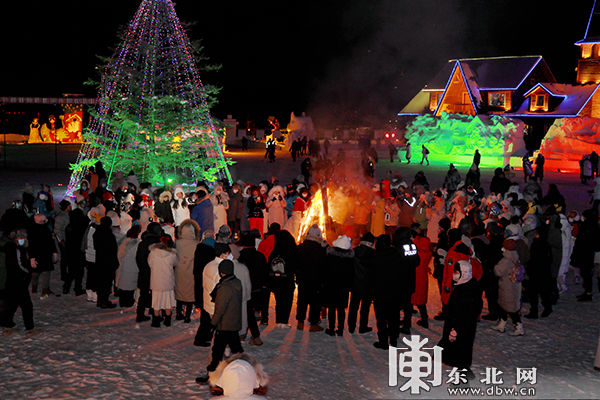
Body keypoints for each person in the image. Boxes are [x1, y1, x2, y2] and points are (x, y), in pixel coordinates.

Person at [196, 259, 244, 385]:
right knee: (236, 350)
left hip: (224, 325)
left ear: (221, 272)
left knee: (217, 352)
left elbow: (220, 309)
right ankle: (243, 372)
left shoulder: (224, 288)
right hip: (234, 323)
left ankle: (212, 374)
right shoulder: (236, 282)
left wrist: (212, 324)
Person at [437, 260, 480, 380]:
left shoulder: (464, 291)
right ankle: (466, 371)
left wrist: (454, 330)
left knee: (458, 352)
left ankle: (462, 383)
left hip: (460, 328)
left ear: (464, 273)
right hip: (465, 327)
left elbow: (463, 313)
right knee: (463, 350)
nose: (454, 275)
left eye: (457, 272)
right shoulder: (469, 286)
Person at [1, 229, 42, 337]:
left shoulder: (9, 248)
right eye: (20, 238)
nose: (22, 240)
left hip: (11, 281)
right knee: (26, 305)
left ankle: (8, 326)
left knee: (12, 304)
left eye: (23, 238)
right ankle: (30, 328)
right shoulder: (16, 249)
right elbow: (19, 265)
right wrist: (28, 271)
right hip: (18, 281)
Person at [295, 225, 326, 332]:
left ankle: (300, 321)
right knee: (315, 302)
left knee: (302, 300)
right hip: (316, 280)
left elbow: (296, 263)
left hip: (303, 278)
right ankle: (313, 323)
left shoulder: (300, 247)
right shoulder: (320, 249)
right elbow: (323, 266)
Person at [491, 238, 524, 336]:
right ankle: (502, 323)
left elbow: (498, 271)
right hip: (513, 286)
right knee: (503, 305)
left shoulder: (506, 260)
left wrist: (494, 266)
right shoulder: (515, 256)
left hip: (507, 286)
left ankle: (518, 326)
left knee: (510, 307)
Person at [323, 235, 355, 336]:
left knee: (332, 308)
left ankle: (331, 328)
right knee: (341, 309)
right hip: (343, 288)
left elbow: (325, 271)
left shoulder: (330, 257)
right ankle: (340, 329)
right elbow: (351, 274)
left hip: (331, 286)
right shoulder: (350, 259)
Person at [267, 230, 297, 329]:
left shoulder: (274, 252)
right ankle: (283, 321)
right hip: (287, 281)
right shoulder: (290, 252)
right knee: (287, 301)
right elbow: (294, 266)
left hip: (275, 281)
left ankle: (279, 320)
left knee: (278, 301)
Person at [148, 236, 179, 327]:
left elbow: (149, 263)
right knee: (168, 302)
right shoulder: (172, 254)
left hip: (156, 281)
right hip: (167, 281)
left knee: (156, 302)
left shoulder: (153, 253)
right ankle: (167, 320)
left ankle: (156, 321)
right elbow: (176, 263)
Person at [571, 209, 600, 302]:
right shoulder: (592, 226)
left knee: (587, 275)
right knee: (586, 274)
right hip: (587, 254)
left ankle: (588, 293)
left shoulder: (588, 227)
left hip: (585, 254)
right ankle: (587, 292)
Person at [175, 219, 200, 322]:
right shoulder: (196, 244)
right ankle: (187, 315)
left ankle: (178, 313)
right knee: (189, 293)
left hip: (179, 270)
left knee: (180, 292)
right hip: (190, 270)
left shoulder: (178, 243)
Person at [28, 213, 58, 296]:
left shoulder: (35, 229)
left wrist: (54, 252)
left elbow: (50, 241)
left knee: (38, 272)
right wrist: (32, 258)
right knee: (41, 273)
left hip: (43, 254)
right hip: (42, 254)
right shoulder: (39, 230)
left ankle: (38, 287)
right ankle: (44, 288)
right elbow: (32, 246)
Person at [93, 217, 119, 309]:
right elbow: (112, 250)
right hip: (108, 262)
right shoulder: (108, 235)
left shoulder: (97, 233)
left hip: (100, 260)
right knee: (106, 282)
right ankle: (104, 300)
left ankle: (100, 299)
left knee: (100, 281)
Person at [411, 224, 433, 328]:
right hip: (421, 276)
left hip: (415, 276)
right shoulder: (426, 252)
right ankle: (424, 318)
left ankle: (424, 319)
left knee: (414, 298)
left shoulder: (418, 253)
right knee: (420, 300)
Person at [116, 225, 141, 308]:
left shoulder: (124, 241)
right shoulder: (136, 244)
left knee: (123, 286)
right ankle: (128, 302)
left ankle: (123, 302)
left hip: (123, 266)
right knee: (129, 287)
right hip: (132, 267)